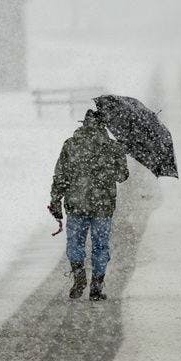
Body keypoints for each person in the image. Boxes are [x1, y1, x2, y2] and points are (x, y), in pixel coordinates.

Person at [48, 109, 130, 301]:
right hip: (103, 206)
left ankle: (79, 276)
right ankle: (96, 286)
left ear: (83, 124)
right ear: (104, 126)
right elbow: (122, 176)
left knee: (74, 243)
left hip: (76, 205)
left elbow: (61, 175)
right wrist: (119, 156)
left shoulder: (71, 145)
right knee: (100, 246)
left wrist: (55, 199)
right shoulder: (113, 147)